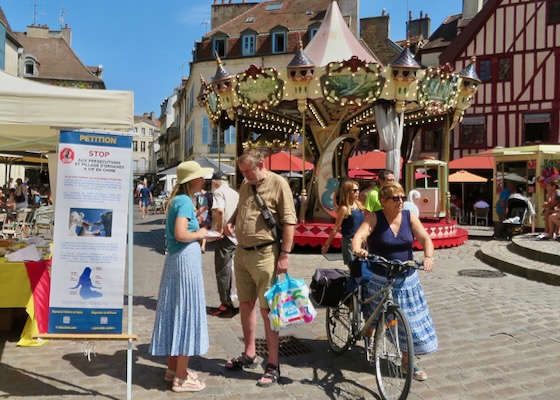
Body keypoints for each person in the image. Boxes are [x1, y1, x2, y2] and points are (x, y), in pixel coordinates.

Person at [224, 148, 297, 388]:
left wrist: (284, 255)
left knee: (268, 310)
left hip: (266, 254)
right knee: (245, 305)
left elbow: (289, 221)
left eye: (248, 171)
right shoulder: (247, 184)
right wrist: (233, 220)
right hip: (242, 253)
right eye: (242, 171)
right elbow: (244, 204)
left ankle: (273, 364)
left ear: (260, 164)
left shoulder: (278, 183)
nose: (245, 176)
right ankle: (249, 353)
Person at [352, 182, 437, 381]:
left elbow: (425, 238)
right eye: (395, 198)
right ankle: (369, 334)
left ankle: (408, 361)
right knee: (373, 316)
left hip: (407, 279)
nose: (400, 201)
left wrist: (428, 256)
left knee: (411, 323)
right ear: (383, 201)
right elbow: (359, 236)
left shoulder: (409, 216)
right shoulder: (375, 217)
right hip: (379, 277)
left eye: (402, 197)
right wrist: (358, 248)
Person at [149, 160, 213, 393]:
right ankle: (181, 378)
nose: (203, 180)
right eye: (200, 177)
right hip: (185, 262)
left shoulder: (179, 200)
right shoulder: (185, 200)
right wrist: (202, 233)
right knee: (185, 312)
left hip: (177, 261)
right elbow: (181, 233)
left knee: (175, 312)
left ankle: (173, 369)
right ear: (190, 180)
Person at [209, 171, 240, 318]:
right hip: (236, 234)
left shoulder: (219, 193)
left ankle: (226, 304)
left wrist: (219, 229)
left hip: (226, 236)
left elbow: (219, 211)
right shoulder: (235, 193)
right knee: (233, 269)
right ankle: (234, 301)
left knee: (222, 270)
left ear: (215, 182)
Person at [321, 180, 365, 268]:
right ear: (347, 192)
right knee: (353, 268)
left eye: (358, 190)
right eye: (354, 190)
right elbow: (336, 228)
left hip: (360, 240)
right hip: (349, 241)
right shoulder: (344, 209)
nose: (357, 192)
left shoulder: (359, 206)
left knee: (361, 267)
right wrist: (327, 244)